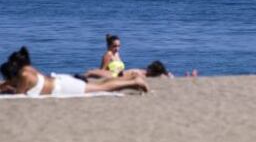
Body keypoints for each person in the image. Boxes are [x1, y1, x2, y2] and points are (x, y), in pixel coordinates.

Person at [1, 47, 148, 96]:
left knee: (103, 87)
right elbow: (13, 84)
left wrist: (7, 88)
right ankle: (131, 82)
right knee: (102, 84)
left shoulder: (24, 75)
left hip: (64, 87)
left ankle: (134, 81)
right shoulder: (28, 69)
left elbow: (19, 94)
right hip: (61, 80)